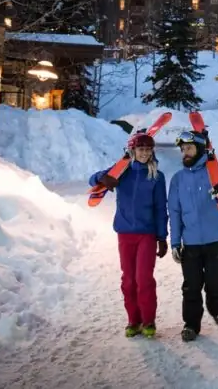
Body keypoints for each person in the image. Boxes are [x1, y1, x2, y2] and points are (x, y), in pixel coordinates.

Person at [89, 132, 168, 338]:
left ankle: (148, 320)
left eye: (148, 150)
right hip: (125, 233)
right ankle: (133, 320)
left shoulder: (157, 177)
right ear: (133, 151)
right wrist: (101, 177)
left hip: (147, 235)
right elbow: (92, 179)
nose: (144, 153)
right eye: (141, 149)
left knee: (144, 279)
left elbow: (161, 208)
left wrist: (162, 237)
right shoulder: (121, 172)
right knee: (129, 281)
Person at [168, 129, 218, 342]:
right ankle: (191, 324)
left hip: (215, 239)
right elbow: (174, 212)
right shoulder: (178, 179)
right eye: (183, 149)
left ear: (200, 149)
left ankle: (216, 309)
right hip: (190, 243)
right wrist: (175, 242)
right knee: (191, 286)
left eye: (189, 148)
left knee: (216, 282)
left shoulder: (215, 170)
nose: (185, 153)